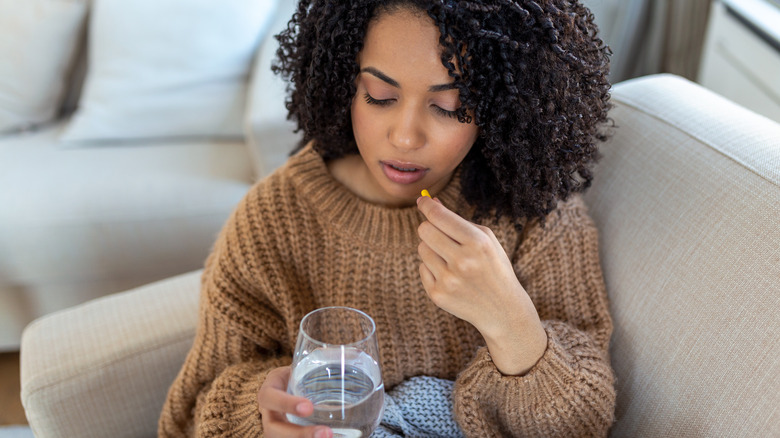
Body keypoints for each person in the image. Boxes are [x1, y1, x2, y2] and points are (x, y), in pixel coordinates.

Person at [158, 0, 615, 436]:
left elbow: (584, 424)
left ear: (498, 109)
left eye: (448, 107)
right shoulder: (271, 222)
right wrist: (259, 414)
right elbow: (193, 412)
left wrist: (510, 320)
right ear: (344, 83)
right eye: (379, 96)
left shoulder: (531, 213)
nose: (404, 137)